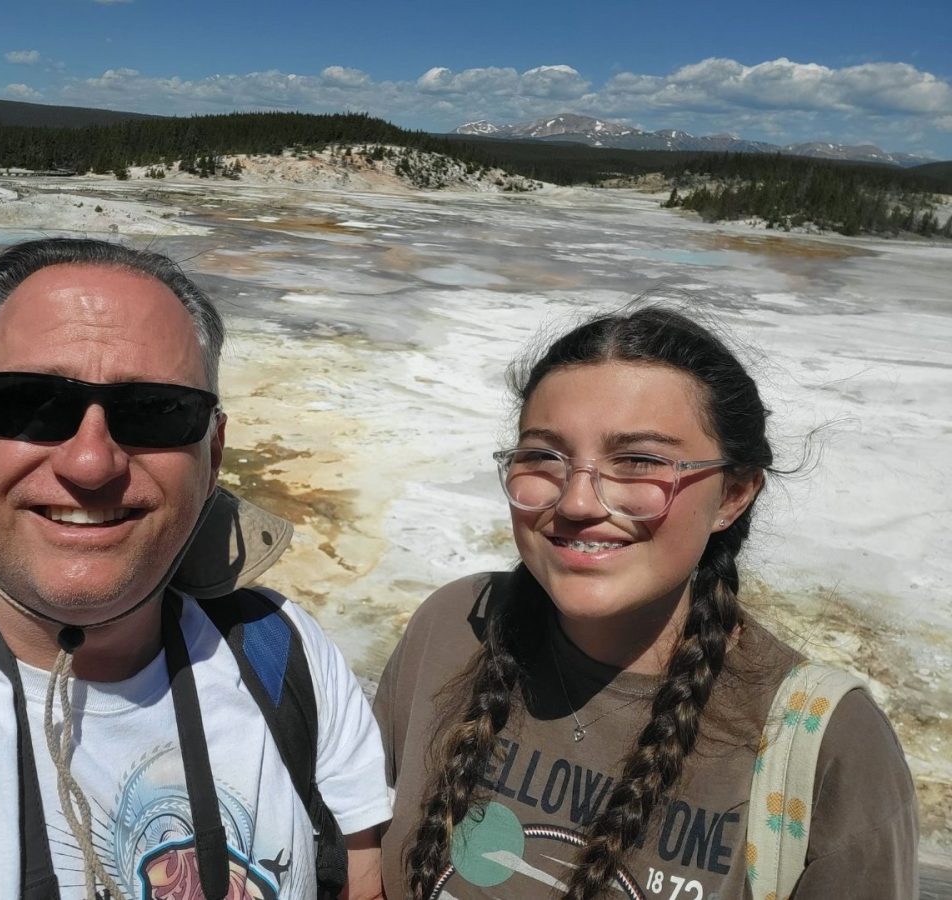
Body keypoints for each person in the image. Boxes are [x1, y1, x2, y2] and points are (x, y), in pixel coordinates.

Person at [0, 237, 391, 900]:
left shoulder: (287, 658)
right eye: (29, 403)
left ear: (215, 452)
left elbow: (363, 884)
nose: (90, 464)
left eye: (155, 411)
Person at [373, 305, 917, 899]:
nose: (578, 502)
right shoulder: (458, 626)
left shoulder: (825, 741)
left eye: (638, 462)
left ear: (733, 495)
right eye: (544, 457)